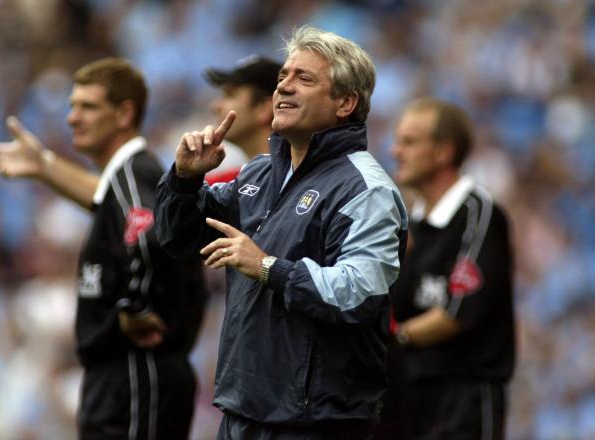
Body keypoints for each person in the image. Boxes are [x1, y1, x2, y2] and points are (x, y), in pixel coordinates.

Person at [154, 26, 408, 439]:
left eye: (304, 79)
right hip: (243, 410)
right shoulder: (260, 172)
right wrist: (184, 179)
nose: (284, 88)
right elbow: (175, 237)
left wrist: (270, 267)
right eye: (282, 78)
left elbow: (360, 292)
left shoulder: (366, 189)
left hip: (315, 422)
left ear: (346, 102)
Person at [0, 58, 207, 440]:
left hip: (135, 374)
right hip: (120, 380)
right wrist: (45, 166)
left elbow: (150, 235)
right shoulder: (124, 181)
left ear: (124, 113)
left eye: (87, 106)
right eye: (71, 106)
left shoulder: (135, 177)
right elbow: (107, 201)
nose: (72, 118)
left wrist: (135, 307)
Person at [382, 97, 516, 439]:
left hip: (464, 396)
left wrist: (393, 339)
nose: (396, 152)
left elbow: (458, 312)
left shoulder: (479, 214)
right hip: (411, 392)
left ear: (443, 152)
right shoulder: (412, 223)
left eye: (409, 142)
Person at [203, 54, 281, 185]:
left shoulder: (299, 180)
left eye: (229, 95)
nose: (215, 106)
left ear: (264, 109)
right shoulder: (224, 185)